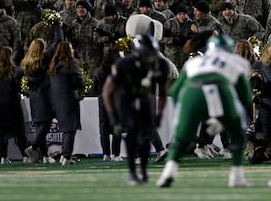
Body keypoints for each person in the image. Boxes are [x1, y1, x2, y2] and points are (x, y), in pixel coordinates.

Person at [156, 32, 252, 188]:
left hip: (192, 92)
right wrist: (229, 116)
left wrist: (184, 113)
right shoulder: (237, 62)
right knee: (237, 132)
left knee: (180, 139)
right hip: (221, 90)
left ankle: (168, 173)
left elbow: (174, 91)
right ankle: (237, 176)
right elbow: (245, 97)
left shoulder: (194, 62)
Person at [102, 34, 170, 185]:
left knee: (146, 134)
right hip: (124, 98)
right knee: (132, 130)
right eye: (147, 54)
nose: (150, 58)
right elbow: (107, 91)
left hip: (145, 96)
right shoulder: (125, 65)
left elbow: (163, 94)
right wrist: (113, 117)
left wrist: (158, 115)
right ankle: (133, 172)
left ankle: (143, 171)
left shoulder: (161, 65)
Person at [22, 20, 63, 164]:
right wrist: (56, 24)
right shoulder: (43, 59)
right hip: (45, 96)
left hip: (34, 97)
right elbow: (58, 42)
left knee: (41, 126)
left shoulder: (26, 63)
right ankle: (32, 147)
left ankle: (45, 156)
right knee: (45, 125)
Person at [0, 46, 28, 164]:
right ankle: (25, 156)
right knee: (19, 132)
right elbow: (17, 85)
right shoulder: (15, 71)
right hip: (12, 105)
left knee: (0, 133)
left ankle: (3, 157)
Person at [48, 41, 84, 166]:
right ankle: (66, 156)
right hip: (69, 100)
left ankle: (64, 155)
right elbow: (79, 82)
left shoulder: (54, 66)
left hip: (58, 101)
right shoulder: (70, 65)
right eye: (71, 48)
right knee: (70, 130)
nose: (73, 50)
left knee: (65, 130)